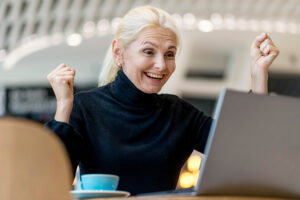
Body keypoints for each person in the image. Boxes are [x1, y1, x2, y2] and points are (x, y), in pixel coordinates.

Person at [45, 5, 279, 195]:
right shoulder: (85, 107)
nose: (161, 65)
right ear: (119, 53)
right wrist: (64, 107)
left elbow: (246, 147)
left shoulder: (178, 113)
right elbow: (50, 182)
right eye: (149, 51)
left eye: (169, 54)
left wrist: (259, 75)